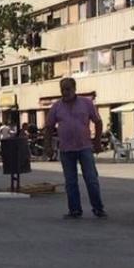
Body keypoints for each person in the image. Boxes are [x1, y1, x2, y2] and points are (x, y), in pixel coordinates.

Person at [46, 77, 106, 219]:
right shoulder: (56, 106)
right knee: (70, 181)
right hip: (66, 149)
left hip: (84, 147)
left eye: (68, 89)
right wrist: (48, 146)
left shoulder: (86, 103)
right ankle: (75, 210)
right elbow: (49, 127)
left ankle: (98, 208)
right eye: (62, 89)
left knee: (91, 179)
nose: (65, 92)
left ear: (74, 89)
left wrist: (97, 141)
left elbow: (97, 121)